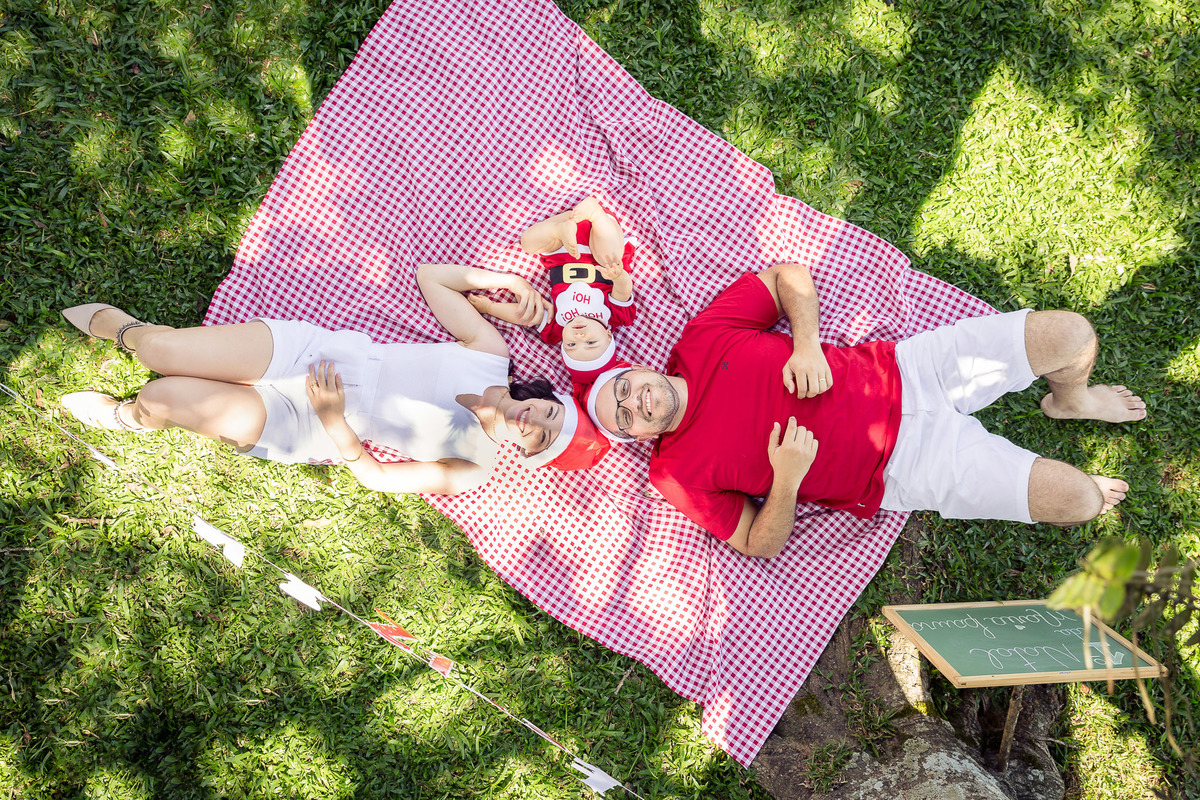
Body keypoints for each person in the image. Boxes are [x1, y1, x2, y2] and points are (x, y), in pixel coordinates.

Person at [583, 263, 1146, 557]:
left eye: (627, 388)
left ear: (638, 369)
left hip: (910, 370)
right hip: (905, 466)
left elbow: (786, 279)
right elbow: (758, 544)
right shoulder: (674, 472)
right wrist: (786, 481)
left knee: (1072, 334)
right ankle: (1069, 466)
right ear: (632, 438)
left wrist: (805, 343)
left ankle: (1071, 401)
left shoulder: (702, 337)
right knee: (1081, 500)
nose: (638, 402)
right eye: (624, 416)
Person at [59, 263, 609, 495]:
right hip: (316, 356)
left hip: (308, 424)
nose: (532, 422)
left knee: (160, 395)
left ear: (525, 452)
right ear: (546, 398)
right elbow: (432, 280)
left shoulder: (474, 468)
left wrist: (332, 421)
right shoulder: (491, 353)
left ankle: (127, 417)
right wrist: (500, 280)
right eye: (549, 414)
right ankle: (132, 334)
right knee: (160, 349)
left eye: (538, 439)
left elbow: (375, 477)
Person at [469, 196, 636, 384]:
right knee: (611, 256)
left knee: (528, 242)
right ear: (607, 335)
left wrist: (491, 308)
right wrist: (619, 277)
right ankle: (595, 213)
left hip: (563, 251)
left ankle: (559, 229)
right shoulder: (614, 317)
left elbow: (525, 314)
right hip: (597, 246)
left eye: (571, 345)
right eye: (591, 342)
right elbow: (623, 291)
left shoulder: (555, 329)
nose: (579, 337)